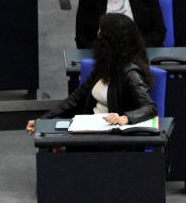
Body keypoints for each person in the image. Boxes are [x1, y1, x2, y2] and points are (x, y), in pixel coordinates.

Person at [28, 14, 158, 132]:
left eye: (101, 31)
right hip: (91, 128)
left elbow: (149, 107)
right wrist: (42, 121)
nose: (98, 34)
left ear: (111, 40)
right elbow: (76, 98)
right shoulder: (104, 66)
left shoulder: (130, 73)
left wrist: (124, 118)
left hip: (114, 138)